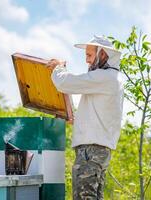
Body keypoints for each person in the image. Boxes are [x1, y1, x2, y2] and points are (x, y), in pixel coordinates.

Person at [48, 35, 124, 200]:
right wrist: (73, 117)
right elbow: (97, 113)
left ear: (102, 54)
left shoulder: (105, 78)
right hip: (97, 150)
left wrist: (58, 68)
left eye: (90, 56)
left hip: (91, 151)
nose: (87, 61)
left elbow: (65, 83)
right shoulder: (110, 79)